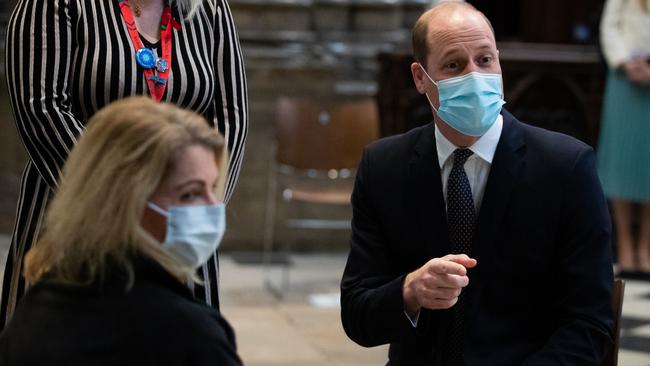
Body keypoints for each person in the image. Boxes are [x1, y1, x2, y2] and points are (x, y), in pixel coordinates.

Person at [340, 3, 614, 365]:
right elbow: (358, 316)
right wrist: (410, 291)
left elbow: (589, 323)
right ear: (421, 78)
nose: (474, 75)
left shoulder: (565, 167)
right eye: (454, 65)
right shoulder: (384, 166)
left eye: (484, 60)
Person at [1, 0, 248, 327]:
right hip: (79, 223)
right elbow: (42, 109)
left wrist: (199, 202)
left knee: (184, 342)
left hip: (178, 227)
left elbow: (231, 115)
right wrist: (128, 207)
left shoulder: (209, 8)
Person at [0, 97, 242, 365]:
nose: (213, 206)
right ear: (123, 201)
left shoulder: (34, 309)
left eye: (213, 188)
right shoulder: (191, 335)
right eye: (189, 194)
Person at [597, 0, 650, 278]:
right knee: (622, 161)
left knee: (648, 165)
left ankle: (646, 247)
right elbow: (610, 27)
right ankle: (626, 248)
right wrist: (626, 63)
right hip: (625, 78)